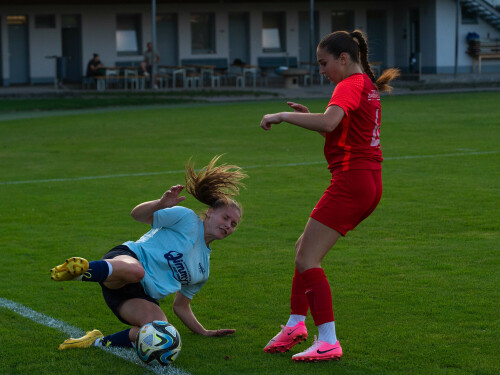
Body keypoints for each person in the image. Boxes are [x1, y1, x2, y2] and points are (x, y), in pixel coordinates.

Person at [259, 30, 400, 362]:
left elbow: (328, 123)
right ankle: (295, 324)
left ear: (343, 58)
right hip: (366, 181)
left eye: (324, 63)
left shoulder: (349, 84)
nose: (322, 70)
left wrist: (281, 115)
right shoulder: (365, 83)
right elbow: (340, 128)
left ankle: (328, 340)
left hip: (352, 182)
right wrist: (306, 114)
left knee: (308, 259)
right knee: (302, 250)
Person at [51, 155, 246, 350]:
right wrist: (160, 204)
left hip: (136, 296)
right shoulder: (186, 219)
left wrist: (203, 331)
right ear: (210, 212)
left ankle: (96, 341)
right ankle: (77, 273)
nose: (228, 225)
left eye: (233, 224)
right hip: (126, 262)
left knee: (161, 332)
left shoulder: (203, 271)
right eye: (226, 218)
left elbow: (181, 306)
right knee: (137, 271)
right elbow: (137, 215)